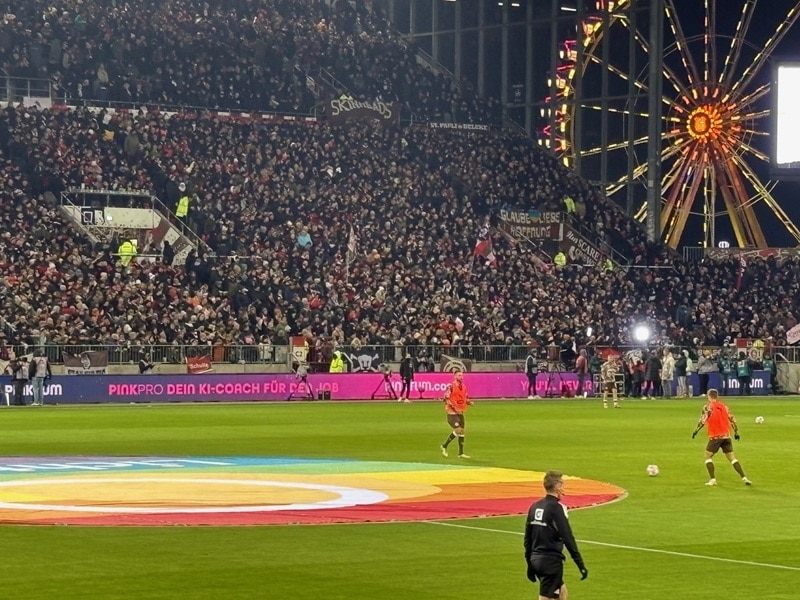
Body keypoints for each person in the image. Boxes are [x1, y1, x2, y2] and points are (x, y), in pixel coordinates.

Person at [523, 470, 588, 600]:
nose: (564, 487)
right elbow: (567, 537)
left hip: (536, 559)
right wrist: (579, 563)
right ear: (557, 486)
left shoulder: (534, 506)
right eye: (562, 484)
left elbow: (527, 539)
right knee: (545, 597)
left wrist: (530, 564)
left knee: (561, 593)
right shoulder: (557, 508)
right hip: (550, 562)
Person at [691, 389, 752, 486]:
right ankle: (744, 478)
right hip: (726, 436)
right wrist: (736, 432)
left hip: (715, 437)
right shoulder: (724, 406)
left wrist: (696, 431)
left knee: (707, 456)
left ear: (709, 396)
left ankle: (712, 480)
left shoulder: (708, 407)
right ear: (717, 396)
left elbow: (702, 421)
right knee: (732, 458)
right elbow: (732, 419)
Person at [440, 370, 473, 459]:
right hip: (452, 413)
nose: (461, 377)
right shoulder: (451, 387)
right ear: (454, 376)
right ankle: (444, 446)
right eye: (459, 375)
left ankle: (461, 453)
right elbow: (446, 399)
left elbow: (465, 397)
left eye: (462, 375)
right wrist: (455, 408)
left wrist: (469, 402)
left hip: (460, 412)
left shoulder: (464, 387)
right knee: (458, 430)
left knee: (462, 431)